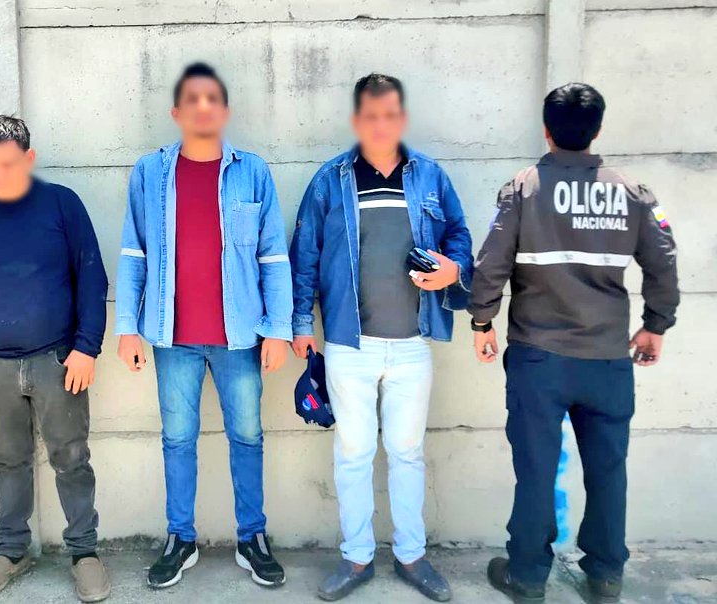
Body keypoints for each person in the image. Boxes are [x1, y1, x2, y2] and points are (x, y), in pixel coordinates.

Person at [468, 83, 679, 603]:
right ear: (597, 130)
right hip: (606, 359)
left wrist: (482, 321)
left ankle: (527, 575)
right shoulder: (632, 192)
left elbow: (491, 263)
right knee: (608, 470)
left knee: (536, 470)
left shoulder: (523, 189)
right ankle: (605, 574)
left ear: (546, 129)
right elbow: (664, 260)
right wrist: (655, 325)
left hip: (539, 358)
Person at [289, 74, 473, 602]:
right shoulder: (330, 181)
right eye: (370, 116)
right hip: (350, 345)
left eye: (390, 115)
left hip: (413, 343)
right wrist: (301, 325)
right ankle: (357, 557)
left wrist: (453, 269)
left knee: (407, 452)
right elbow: (305, 254)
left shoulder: (430, 176)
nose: (380, 125)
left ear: (402, 118)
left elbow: (459, 235)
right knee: (353, 452)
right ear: (357, 120)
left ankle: (412, 556)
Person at [115, 62, 294, 589]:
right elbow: (133, 251)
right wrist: (127, 326)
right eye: (192, 99)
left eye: (212, 98)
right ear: (176, 112)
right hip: (172, 337)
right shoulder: (151, 173)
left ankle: (252, 537)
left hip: (240, 337)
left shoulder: (251, 172)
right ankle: (181, 538)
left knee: (247, 435)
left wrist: (278, 328)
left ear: (225, 110)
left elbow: (272, 254)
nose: (203, 107)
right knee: (177, 438)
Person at [0, 115, 110, 603]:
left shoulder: (61, 205)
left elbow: (91, 277)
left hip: (59, 361)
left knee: (71, 458)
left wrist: (86, 347)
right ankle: (11, 551)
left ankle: (84, 552)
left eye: (7, 164)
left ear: (29, 159)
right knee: (7, 461)